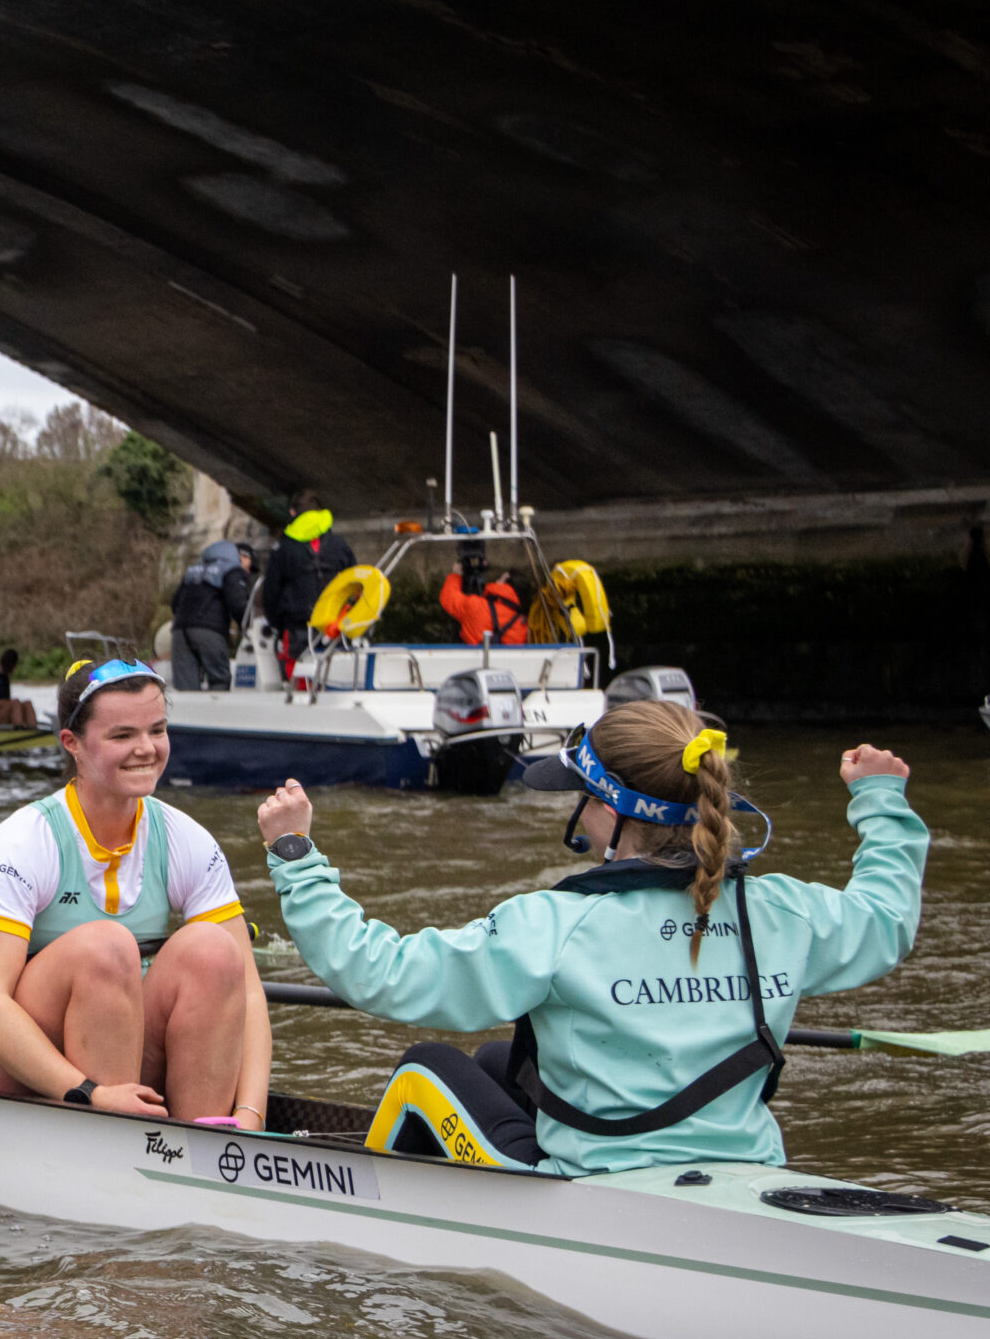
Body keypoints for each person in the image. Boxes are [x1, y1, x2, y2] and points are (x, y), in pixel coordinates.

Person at [254, 702, 927, 1174]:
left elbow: (380, 972)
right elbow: (886, 919)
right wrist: (882, 803)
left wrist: (296, 855)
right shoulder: (781, 911)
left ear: (606, 809)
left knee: (428, 1062)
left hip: (599, 1189)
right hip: (745, 1171)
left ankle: (375, 1221)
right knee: (497, 1060)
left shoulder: (555, 924)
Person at [0, 657, 271, 1120]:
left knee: (216, 952)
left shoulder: (186, 839)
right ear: (72, 743)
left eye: (157, 731)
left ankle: (210, 1138)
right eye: (123, 735)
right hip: (14, 1068)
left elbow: (251, 995)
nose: (146, 749)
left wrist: (252, 1112)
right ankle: (111, 1130)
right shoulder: (21, 842)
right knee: (107, 946)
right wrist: (89, 1093)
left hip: (121, 1048)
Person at [260, 490, 355, 674]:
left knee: (300, 684)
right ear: (320, 512)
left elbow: (270, 594)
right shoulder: (339, 544)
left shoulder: (283, 548)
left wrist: (278, 626)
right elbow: (355, 583)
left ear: (293, 513)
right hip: (335, 628)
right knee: (337, 678)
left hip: (298, 628)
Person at [170, 540, 254, 690]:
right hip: (209, 631)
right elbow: (238, 603)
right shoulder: (231, 570)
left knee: (185, 686)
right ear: (236, 557)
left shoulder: (193, 570)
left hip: (180, 631)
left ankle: (188, 714)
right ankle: (217, 713)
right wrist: (249, 624)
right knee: (219, 679)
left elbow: (175, 603)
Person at [438, 552, 530, 646]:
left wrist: (455, 575)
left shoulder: (476, 606)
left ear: (505, 581)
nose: (496, 580)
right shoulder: (523, 626)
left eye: (499, 578)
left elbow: (448, 598)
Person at [0, 648, 38, 726]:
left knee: (27, 704)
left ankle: (33, 728)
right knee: (15, 703)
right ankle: (19, 728)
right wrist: (5, 702)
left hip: (2, 713)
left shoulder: (4, 678)